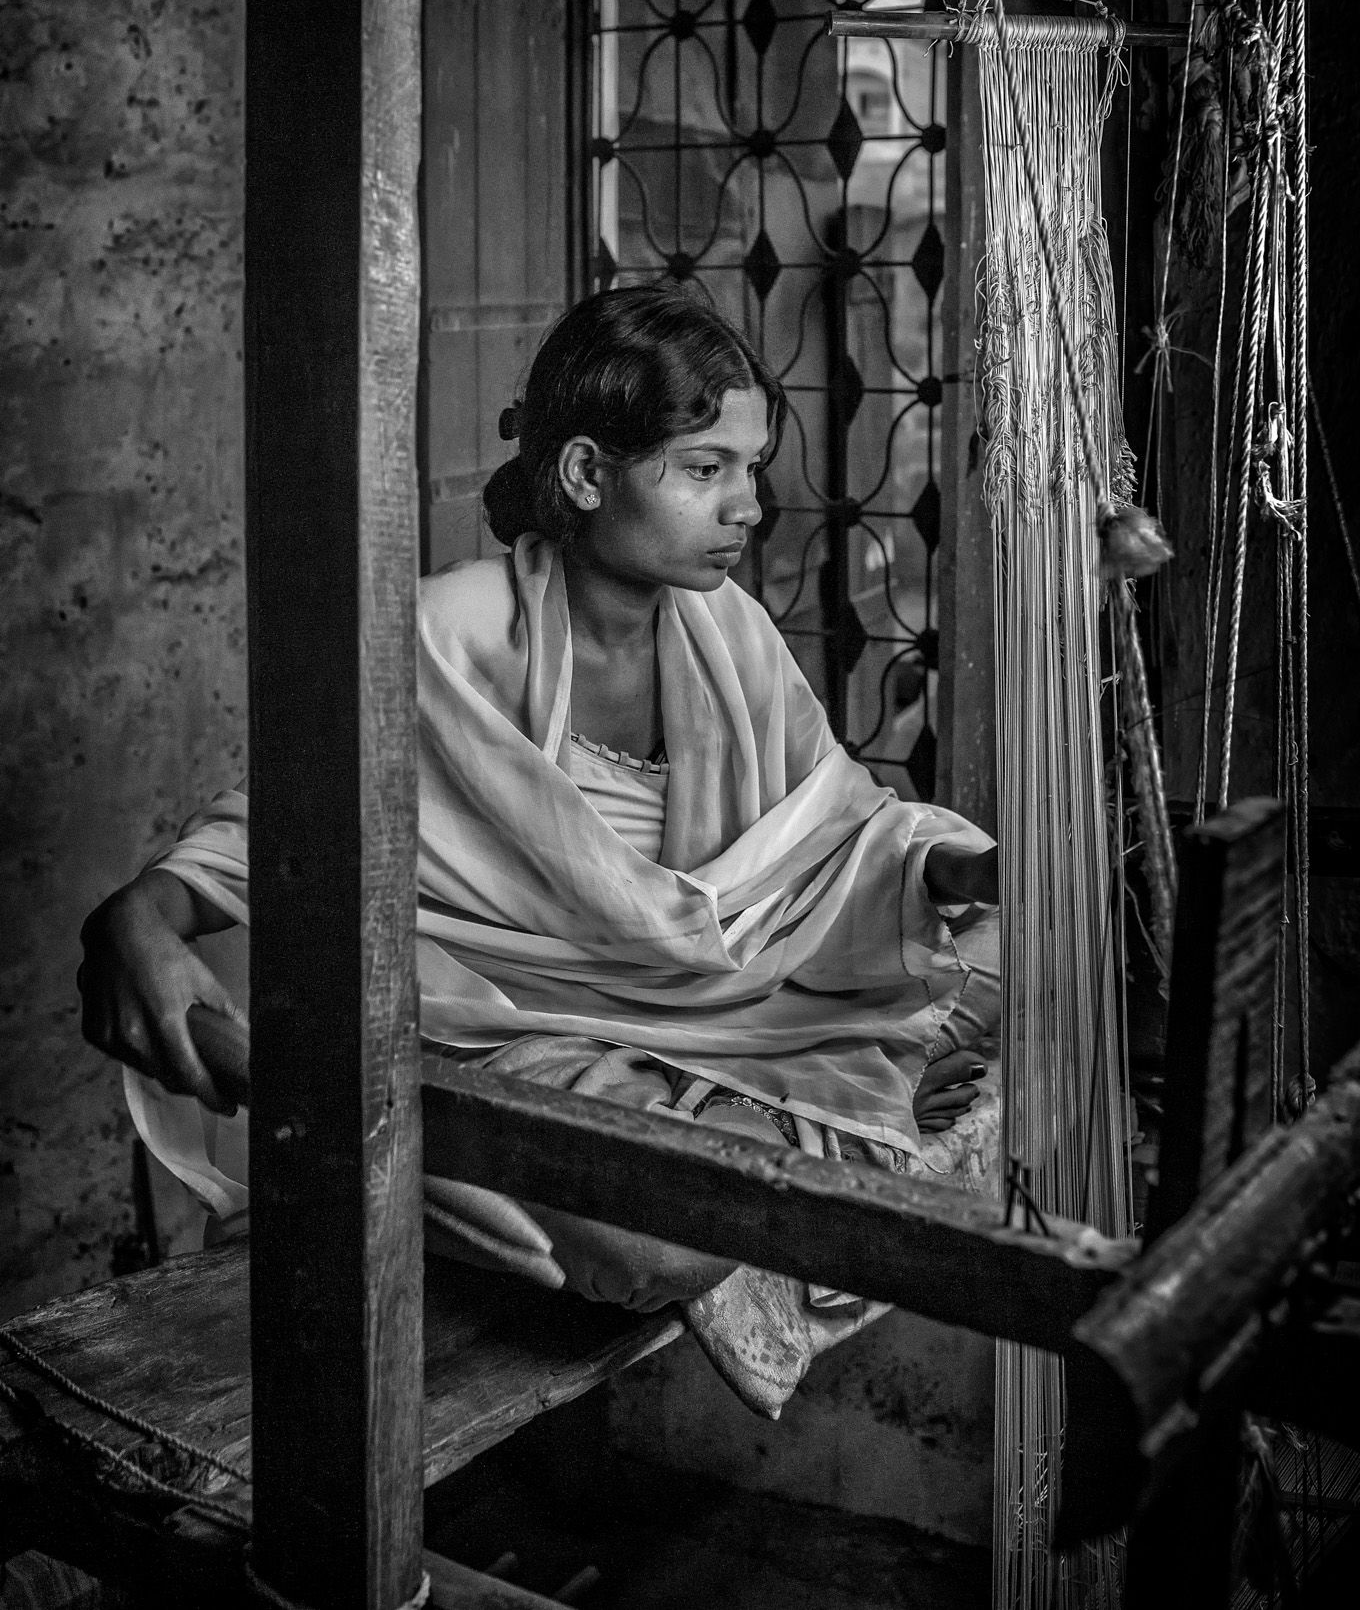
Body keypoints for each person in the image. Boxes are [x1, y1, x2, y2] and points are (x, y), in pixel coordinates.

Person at [79, 285, 1000, 1417]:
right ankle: (412, 1158)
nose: (748, 505)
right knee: (670, 1242)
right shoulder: (442, 635)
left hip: (706, 1010)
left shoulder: (731, 636)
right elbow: (265, 836)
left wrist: (959, 872)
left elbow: (838, 829)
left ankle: (567, 1162)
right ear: (582, 473)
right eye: (704, 468)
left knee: (1004, 964)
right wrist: (138, 917)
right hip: (499, 1027)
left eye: (751, 469)